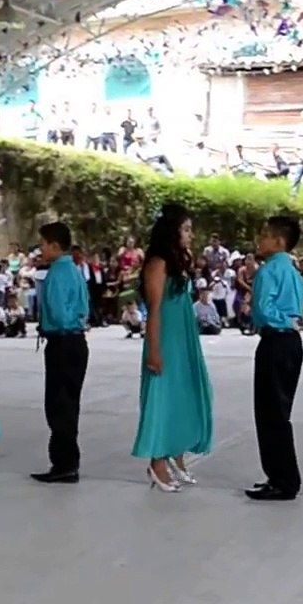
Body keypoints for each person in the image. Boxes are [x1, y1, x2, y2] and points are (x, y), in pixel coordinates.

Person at [131, 203, 215, 493]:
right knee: (162, 397)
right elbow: (154, 309)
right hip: (165, 336)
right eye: (186, 229)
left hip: (184, 336)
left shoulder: (180, 259)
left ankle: (176, 453)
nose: (191, 235)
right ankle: (157, 461)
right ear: (172, 231)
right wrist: (154, 349)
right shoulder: (158, 263)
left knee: (184, 393)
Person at [245, 215, 303, 501]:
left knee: (270, 412)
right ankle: (281, 475)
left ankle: (282, 478)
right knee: (280, 411)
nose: (261, 240)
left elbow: (261, 309)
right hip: (292, 342)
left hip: (274, 340)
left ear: (279, 241)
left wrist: (276, 319)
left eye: (265, 235)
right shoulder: (294, 272)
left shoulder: (268, 271)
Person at [31, 221, 90, 484]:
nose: (40, 249)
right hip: (77, 341)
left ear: (55, 245)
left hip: (62, 342)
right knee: (70, 403)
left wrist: (57, 325)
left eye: (43, 244)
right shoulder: (75, 271)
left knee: (58, 404)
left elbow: (57, 311)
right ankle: (68, 460)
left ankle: (63, 462)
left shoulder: (56, 273)